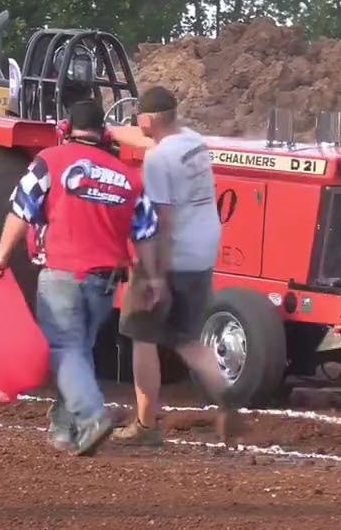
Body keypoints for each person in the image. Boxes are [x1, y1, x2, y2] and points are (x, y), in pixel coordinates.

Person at [0, 100, 164, 456]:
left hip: (61, 273)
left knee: (65, 349)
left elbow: (22, 208)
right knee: (77, 350)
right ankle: (64, 430)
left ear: (68, 127)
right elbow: (146, 232)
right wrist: (151, 280)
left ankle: (91, 416)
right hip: (105, 283)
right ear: (103, 132)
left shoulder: (50, 161)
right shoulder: (128, 176)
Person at [113, 85, 238, 447]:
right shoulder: (195, 141)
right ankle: (228, 404)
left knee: (141, 331)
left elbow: (161, 221)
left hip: (176, 252)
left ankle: (145, 424)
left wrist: (155, 276)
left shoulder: (157, 159)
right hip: (204, 247)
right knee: (186, 337)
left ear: (148, 119)